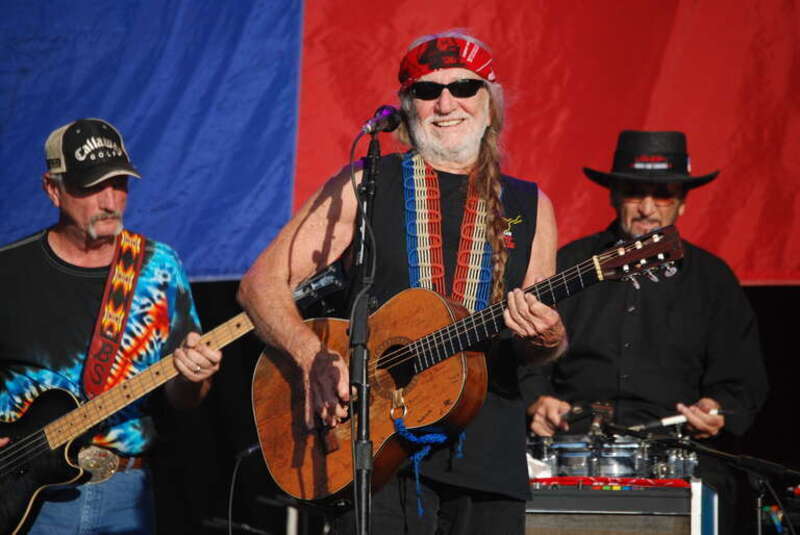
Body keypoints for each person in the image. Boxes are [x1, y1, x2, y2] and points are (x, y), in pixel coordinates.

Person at [239, 32, 566, 534]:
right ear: (407, 106)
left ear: (491, 102)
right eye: (427, 91)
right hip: (376, 455)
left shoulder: (531, 205)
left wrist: (548, 339)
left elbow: (533, 347)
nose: (446, 104)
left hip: (486, 458)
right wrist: (312, 356)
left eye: (464, 87)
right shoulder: (364, 184)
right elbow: (261, 284)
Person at [523, 130, 769, 533]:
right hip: (570, 451)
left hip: (677, 452)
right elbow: (524, 355)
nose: (648, 209)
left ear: (683, 203)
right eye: (636, 193)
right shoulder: (570, 266)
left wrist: (717, 409)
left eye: (664, 195)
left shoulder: (712, 280)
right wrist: (538, 401)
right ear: (614, 196)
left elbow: (742, 381)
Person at [0, 118, 223, 534]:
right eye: (91, 187)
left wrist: (194, 377)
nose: (110, 201)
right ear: (53, 188)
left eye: (120, 184)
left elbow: (185, 399)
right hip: (24, 498)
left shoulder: (158, 267)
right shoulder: (9, 271)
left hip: (126, 493)